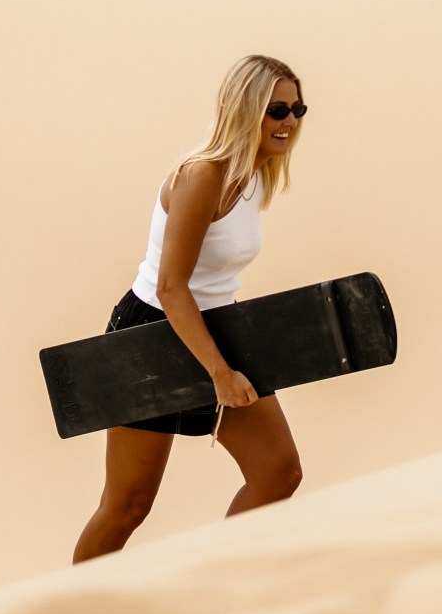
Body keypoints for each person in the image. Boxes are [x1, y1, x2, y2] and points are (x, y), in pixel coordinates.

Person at [72, 55, 308, 563]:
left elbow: (211, 280)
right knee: (128, 504)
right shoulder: (202, 176)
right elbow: (172, 287)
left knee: (279, 472)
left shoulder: (258, 174)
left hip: (217, 326)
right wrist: (219, 372)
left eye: (297, 109)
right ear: (245, 111)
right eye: (276, 110)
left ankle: (220, 582)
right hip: (153, 336)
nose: (289, 121)